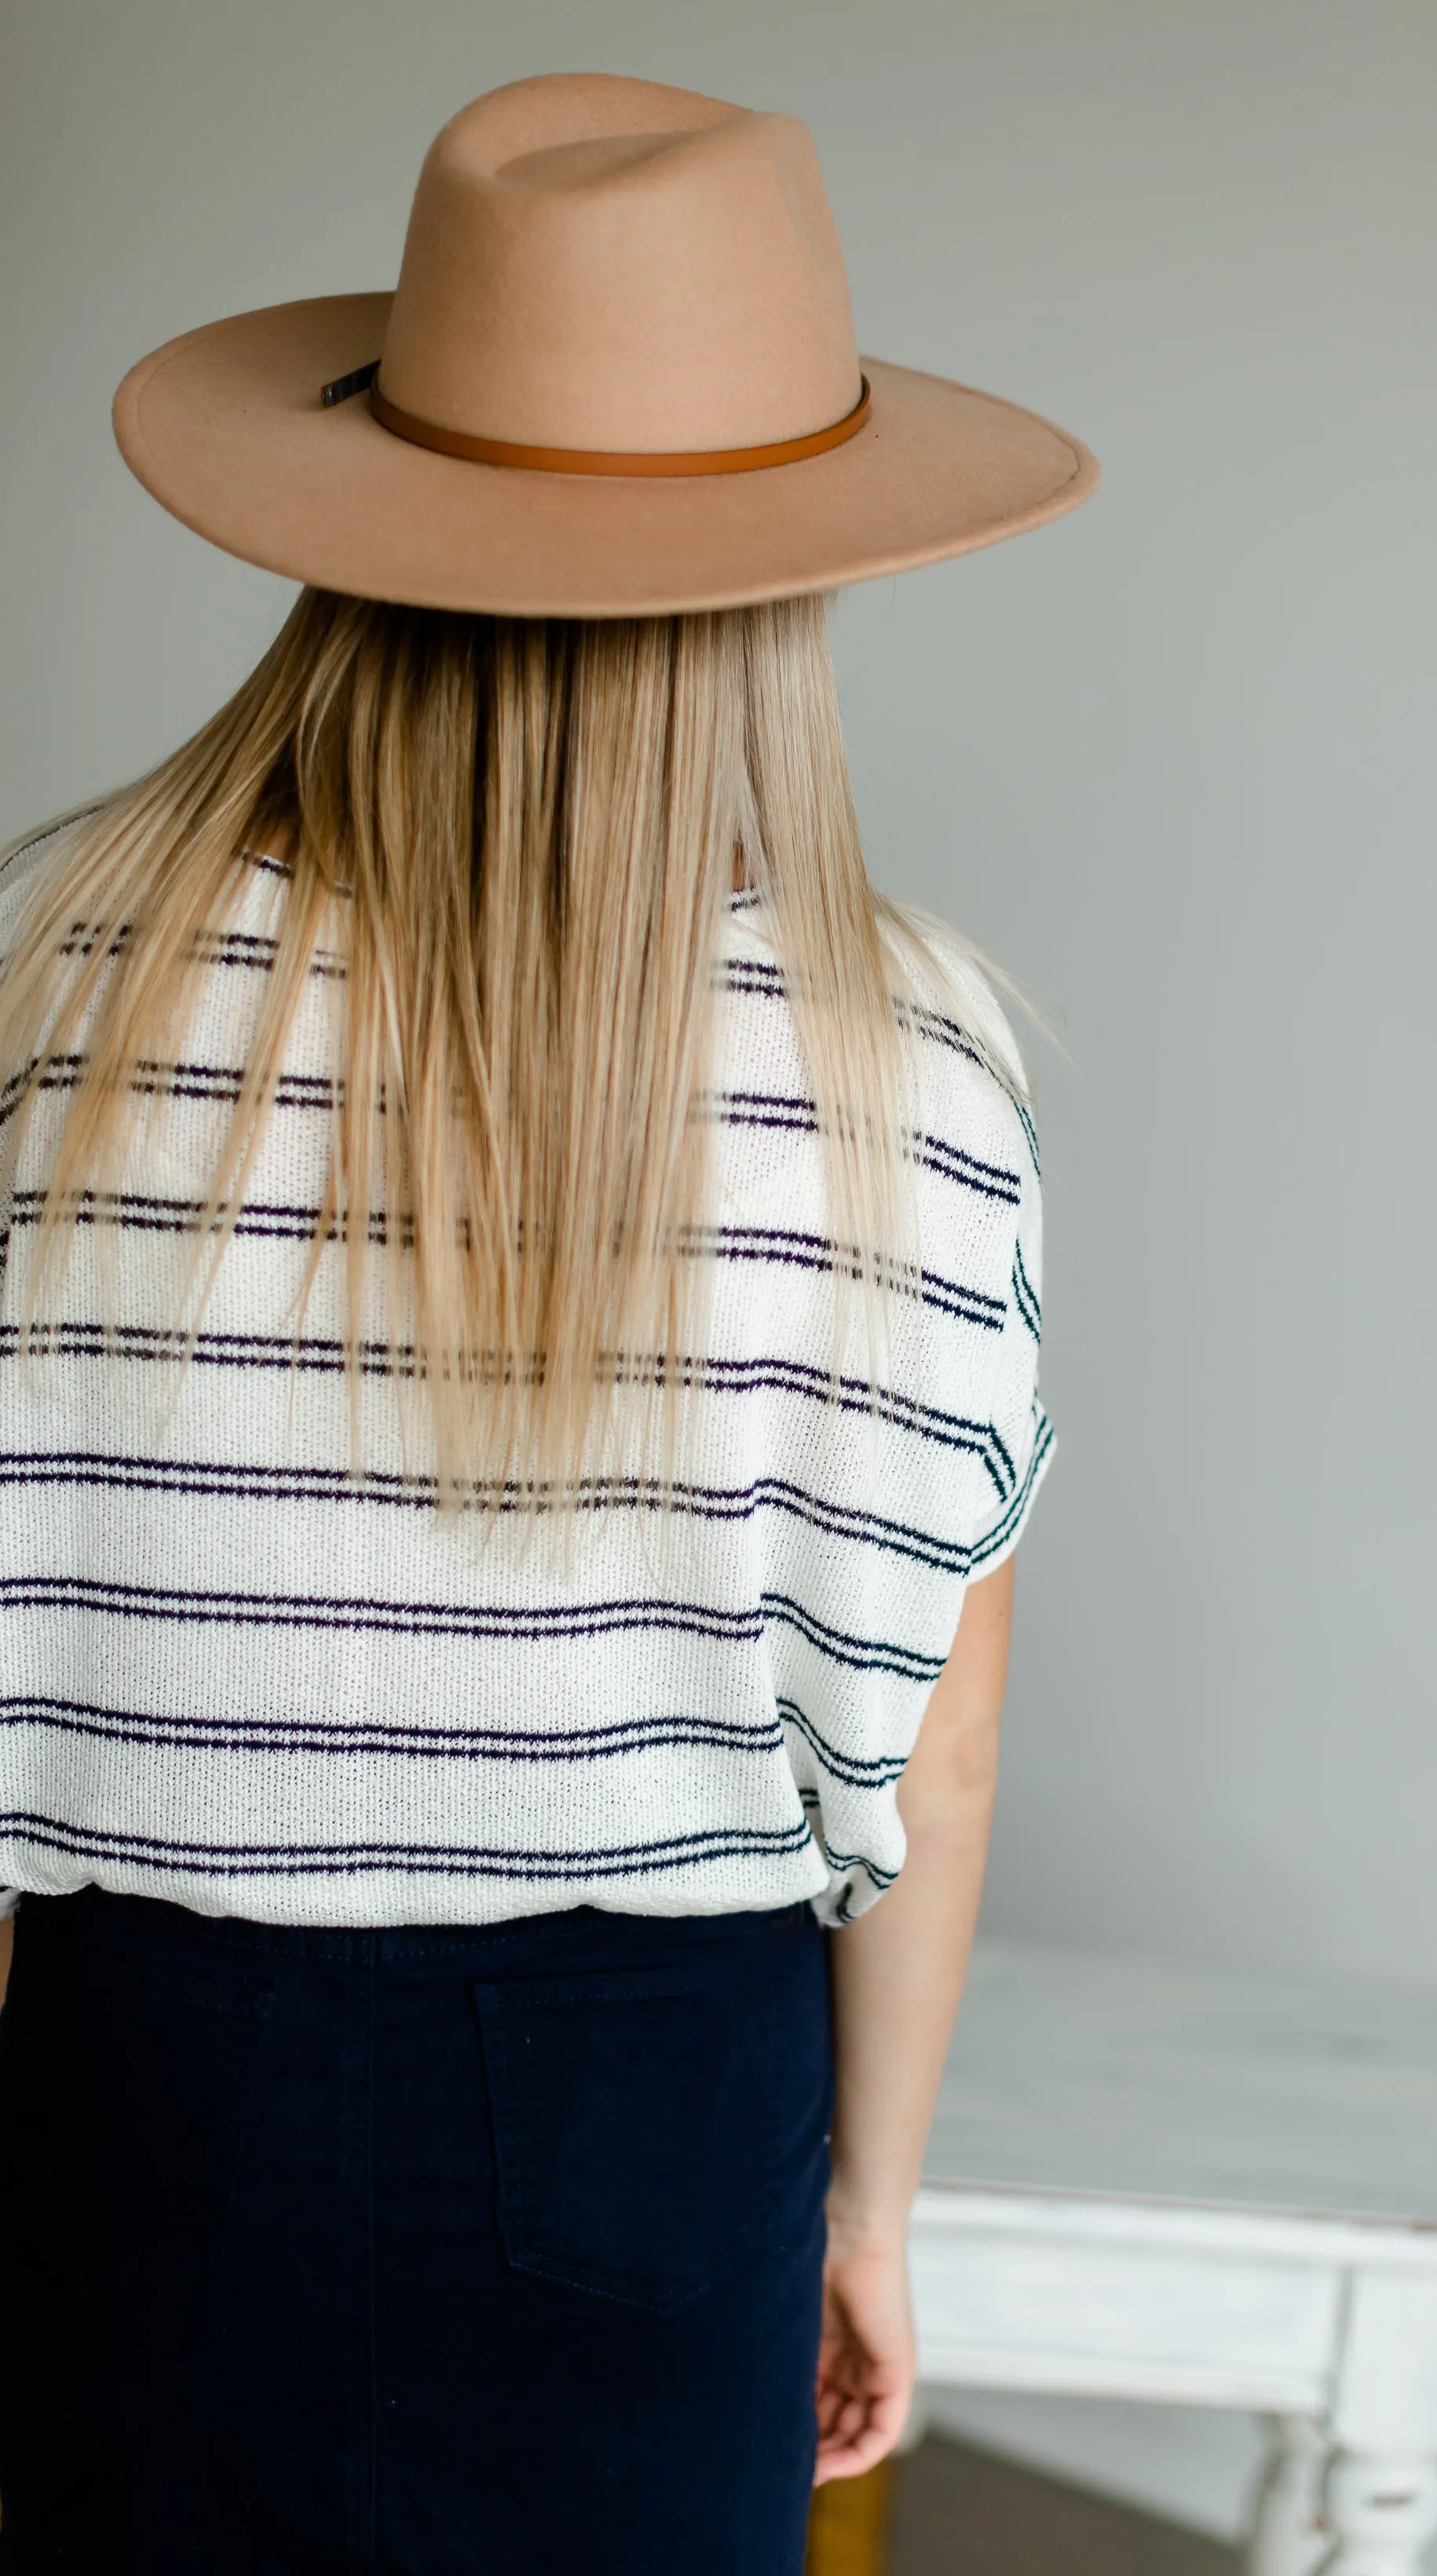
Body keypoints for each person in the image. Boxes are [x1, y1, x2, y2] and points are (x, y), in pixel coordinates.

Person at [0, 70, 1095, 2576]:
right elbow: (926, 1755)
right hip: (653, 2089)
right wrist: (871, 2213)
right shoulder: (894, 1069)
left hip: (133, 2070)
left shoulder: (63, 980)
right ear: (790, 581)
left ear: (350, 516)